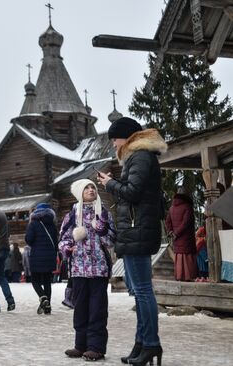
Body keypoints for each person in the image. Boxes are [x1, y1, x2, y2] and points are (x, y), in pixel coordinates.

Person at [97, 117, 167, 366]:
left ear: (126, 136)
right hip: (136, 230)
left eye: (114, 139)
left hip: (138, 230)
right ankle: (142, 343)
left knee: (143, 292)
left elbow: (132, 192)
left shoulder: (140, 156)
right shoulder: (139, 156)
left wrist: (110, 184)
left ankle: (150, 344)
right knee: (138, 293)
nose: (114, 144)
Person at [60, 179, 116, 361]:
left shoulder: (104, 214)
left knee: (97, 309)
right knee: (81, 308)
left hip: (99, 269)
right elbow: (63, 239)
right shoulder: (71, 215)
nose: (91, 190)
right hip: (78, 269)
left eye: (93, 187)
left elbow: (111, 241)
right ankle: (80, 345)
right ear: (79, 192)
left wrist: (101, 230)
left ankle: (96, 348)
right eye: (87, 188)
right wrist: (68, 248)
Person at [25, 203, 58, 315]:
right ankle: (47, 307)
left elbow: (28, 240)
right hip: (50, 256)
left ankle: (43, 298)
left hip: (37, 256)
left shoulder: (33, 224)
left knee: (35, 280)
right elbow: (56, 242)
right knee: (47, 282)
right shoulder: (52, 225)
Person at [166, 187, 198, 281]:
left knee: (179, 256)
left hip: (177, 238)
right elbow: (186, 222)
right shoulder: (188, 207)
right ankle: (189, 276)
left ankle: (179, 276)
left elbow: (168, 222)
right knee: (187, 256)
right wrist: (176, 233)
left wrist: (171, 232)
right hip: (186, 237)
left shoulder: (171, 208)